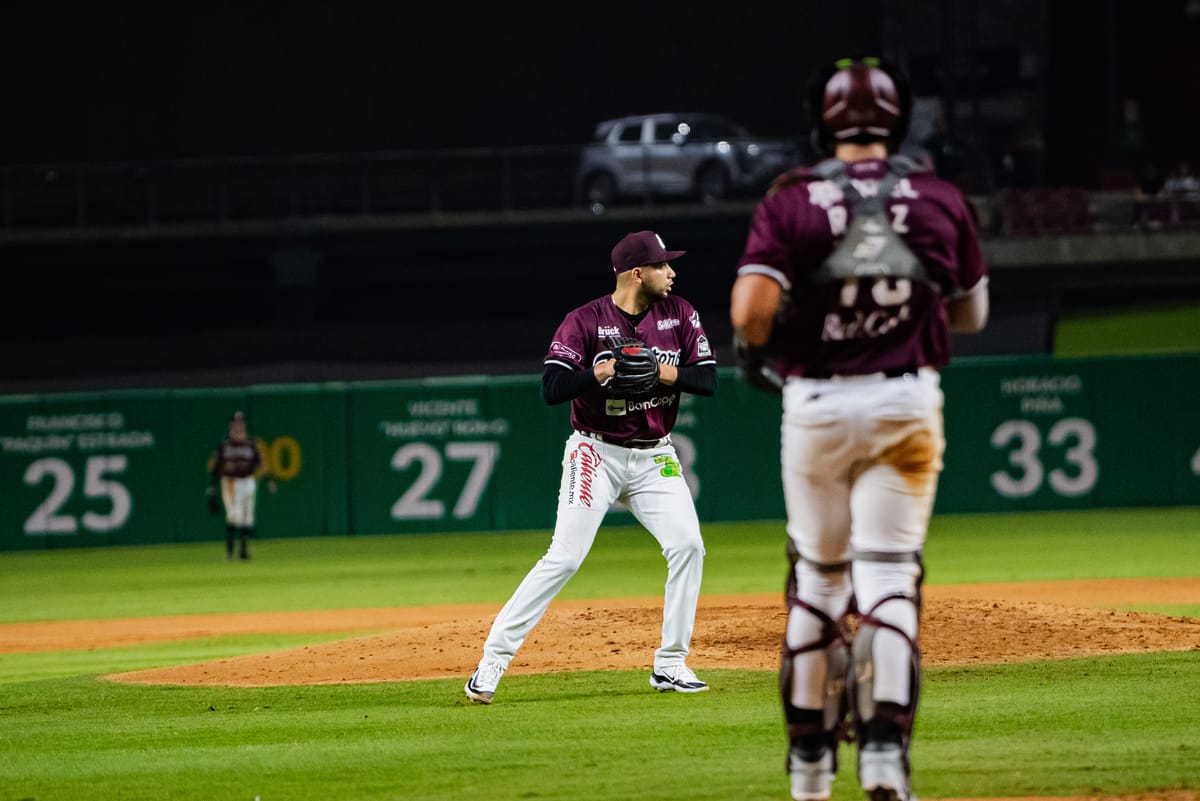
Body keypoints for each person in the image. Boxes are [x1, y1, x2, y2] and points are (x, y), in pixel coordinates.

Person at [728, 57, 989, 801]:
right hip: (906, 402)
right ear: (900, 120)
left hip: (816, 404)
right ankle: (883, 757)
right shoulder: (940, 197)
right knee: (889, 577)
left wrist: (759, 348)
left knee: (817, 580)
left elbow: (749, 311)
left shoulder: (790, 200)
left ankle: (810, 766)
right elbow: (971, 314)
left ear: (823, 123)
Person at [464, 230, 718, 704]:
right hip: (594, 452)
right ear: (637, 273)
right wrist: (598, 373)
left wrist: (661, 371)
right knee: (565, 557)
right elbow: (551, 387)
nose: (672, 272)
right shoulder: (584, 320)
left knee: (688, 546)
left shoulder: (680, 313)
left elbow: (707, 378)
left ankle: (671, 664)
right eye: (664, 265)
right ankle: (492, 662)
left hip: (654, 455)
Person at [207, 411, 275, 560]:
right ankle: (230, 549)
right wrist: (211, 486)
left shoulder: (251, 444)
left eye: (241, 423)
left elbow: (261, 463)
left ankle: (244, 550)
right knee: (234, 515)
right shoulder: (224, 445)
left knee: (248, 516)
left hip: (248, 481)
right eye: (236, 423)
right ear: (231, 425)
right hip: (230, 481)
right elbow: (215, 466)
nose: (239, 426)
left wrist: (269, 479)